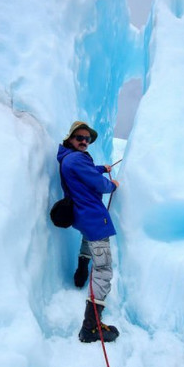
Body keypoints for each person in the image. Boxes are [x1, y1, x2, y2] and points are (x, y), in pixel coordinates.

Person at [56, 121, 120, 343]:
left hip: (81, 217)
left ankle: (81, 272)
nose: (84, 141)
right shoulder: (78, 158)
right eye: (79, 138)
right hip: (93, 217)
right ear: (70, 138)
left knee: (87, 239)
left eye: (87, 139)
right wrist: (112, 184)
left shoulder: (67, 158)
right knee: (103, 269)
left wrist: (102, 168)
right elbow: (99, 185)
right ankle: (90, 327)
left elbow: (86, 171)